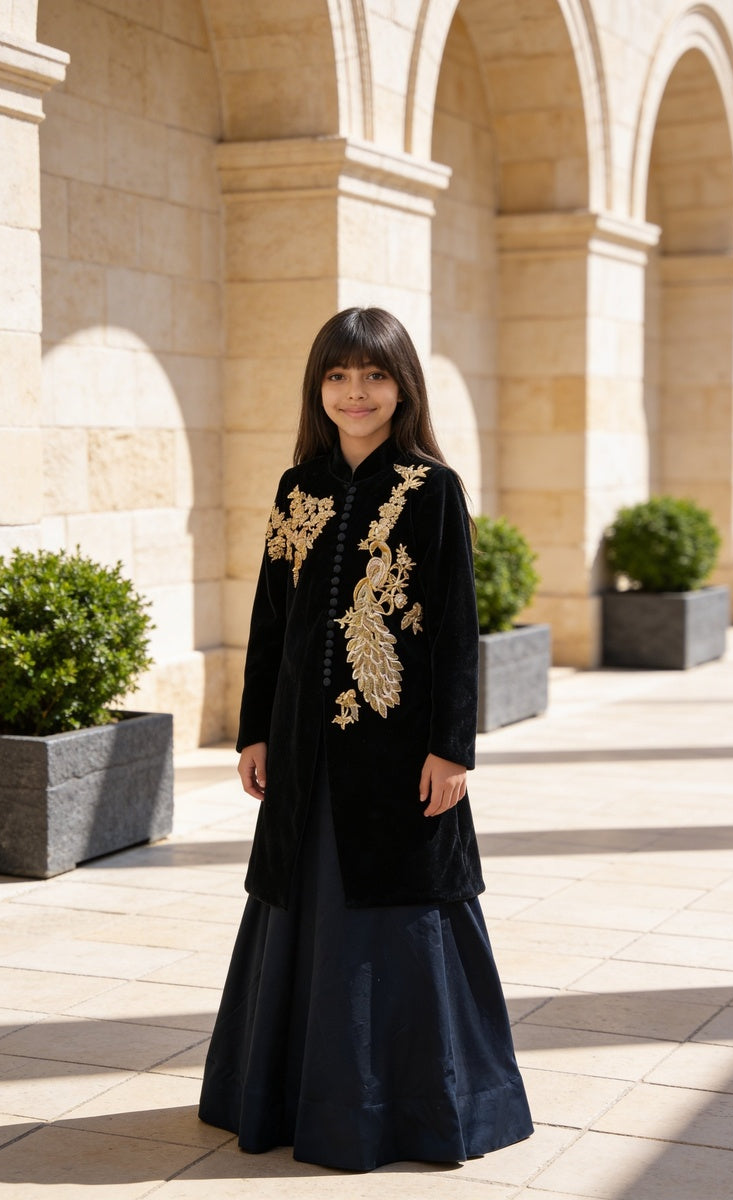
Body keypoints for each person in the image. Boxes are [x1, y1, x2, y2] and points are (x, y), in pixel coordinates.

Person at [198, 307, 533, 1171]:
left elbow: (458, 629)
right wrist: (253, 733)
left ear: (401, 387)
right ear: (320, 386)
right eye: (340, 376)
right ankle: (281, 1092)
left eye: (375, 376)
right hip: (303, 752)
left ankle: (409, 1106)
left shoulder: (432, 490)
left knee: (401, 909)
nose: (357, 393)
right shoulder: (296, 489)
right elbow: (270, 624)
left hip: (398, 758)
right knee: (298, 904)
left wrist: (452, 749)